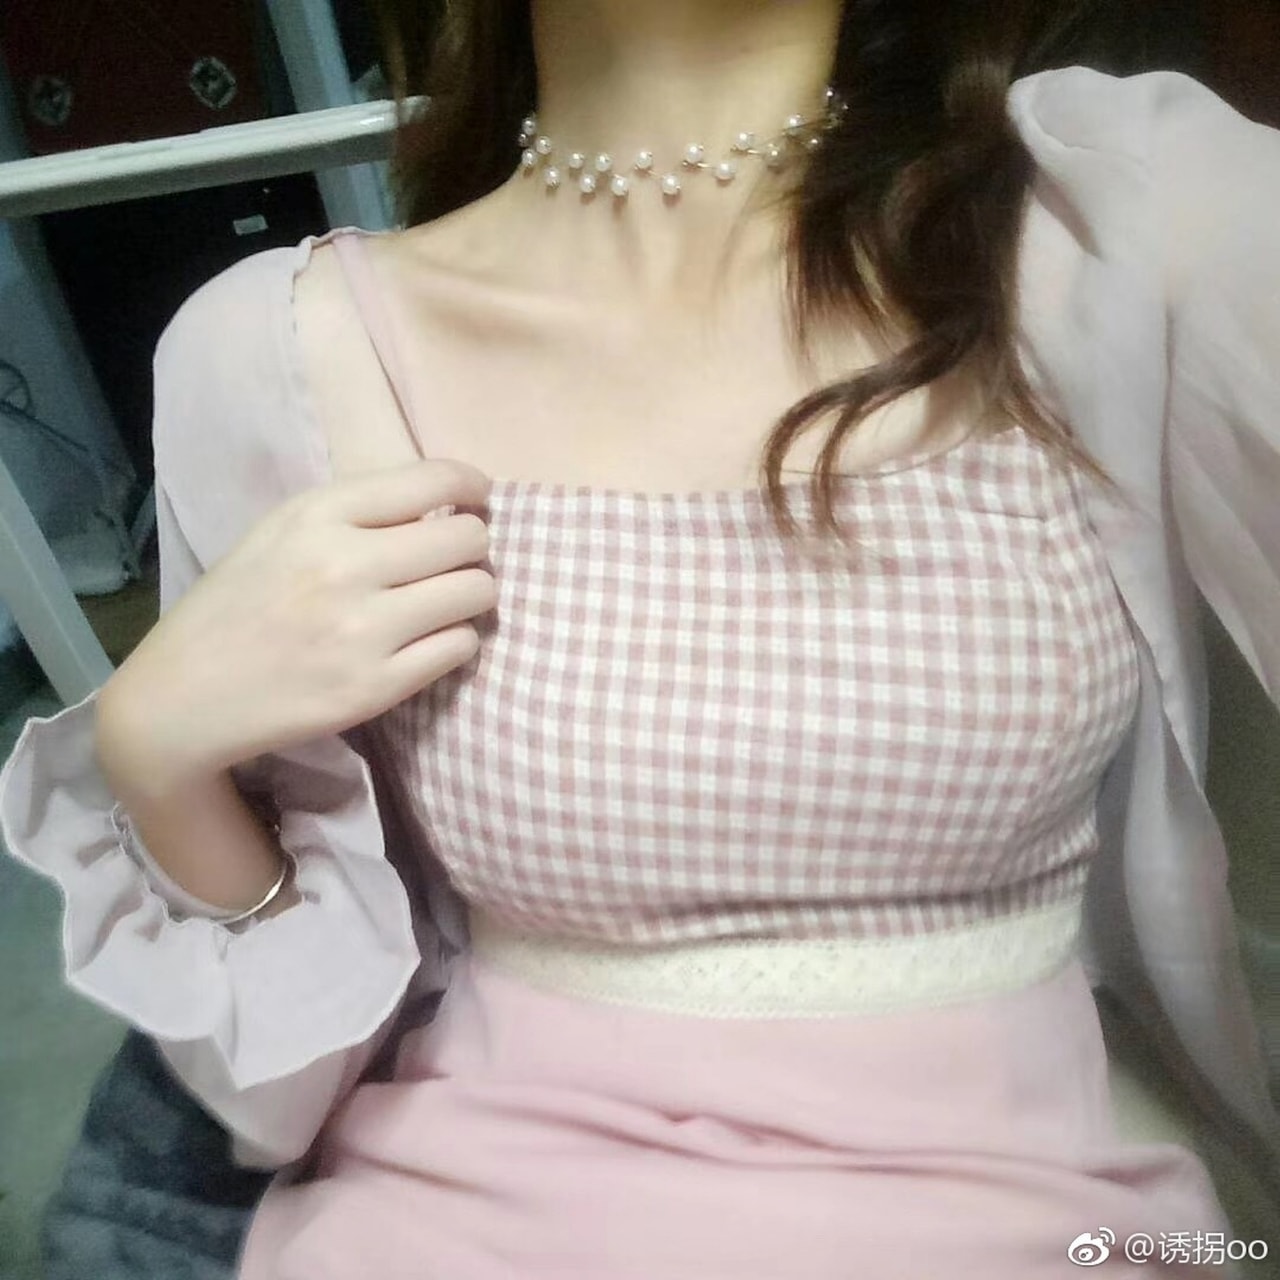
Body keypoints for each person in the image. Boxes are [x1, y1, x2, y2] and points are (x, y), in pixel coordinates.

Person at [2, 0, 1278, 1276]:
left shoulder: (1124, 214)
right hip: (446, 1219)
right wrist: (158, 760)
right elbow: (286, 1092)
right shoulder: (277, 345)